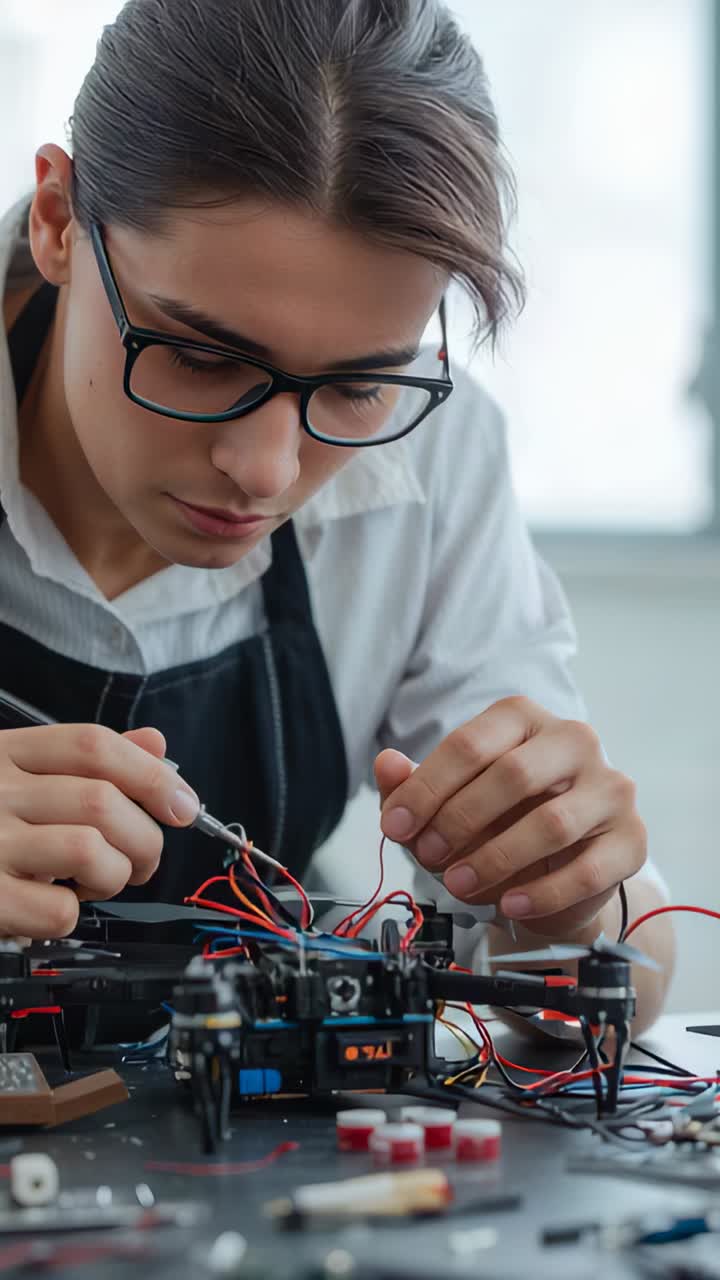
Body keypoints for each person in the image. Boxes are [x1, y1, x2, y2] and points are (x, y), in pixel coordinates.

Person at [0, 0, 673, 1033]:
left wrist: (576, 898)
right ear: (57, 220)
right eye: (202, 356)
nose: (263, 470)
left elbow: (627, 972)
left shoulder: (432, 453)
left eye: (358, 385)